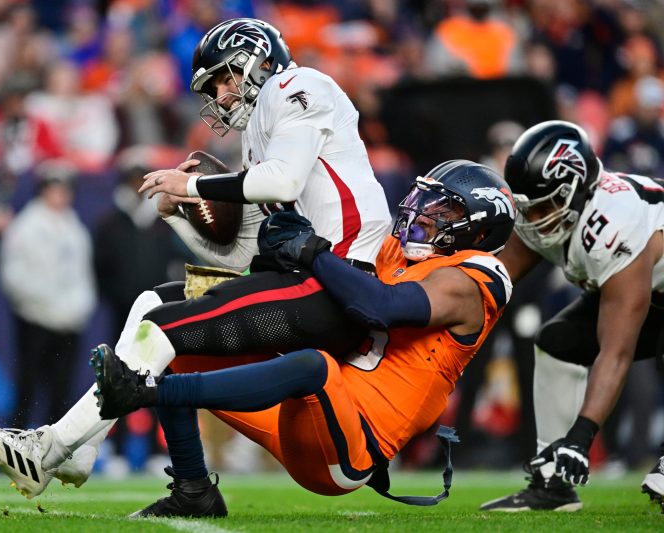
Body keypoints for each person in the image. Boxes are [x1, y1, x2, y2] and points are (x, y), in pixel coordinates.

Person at [0, 17, 392, 509]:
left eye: (224, 78)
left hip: (340, 284)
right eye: (214, 87)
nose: (221, 96)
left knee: (163, 329)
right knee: (153, 305)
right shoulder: (260, 135)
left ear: (258, 60)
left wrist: (189, 184)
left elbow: (283, 181)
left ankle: (52, 447)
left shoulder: (299, 85)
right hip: (303, 283)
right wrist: (176, 217)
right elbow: (241, 257)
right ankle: (120, 460)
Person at [90, 160, 516, 510]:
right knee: (182, 330)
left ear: (480, 230)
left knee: (314, 365)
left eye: (444, 211)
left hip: (349, 448)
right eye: (424, 202)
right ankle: (192, 489)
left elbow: (382, 306)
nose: (422, 214)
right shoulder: (393, 251)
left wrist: (313, 250)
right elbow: (326, 274)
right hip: (301, 413)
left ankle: (145, 393)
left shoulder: (473, 279)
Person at [479, 120, 664, 512]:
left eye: (544, 205)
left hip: (649, 288)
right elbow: (488, 284)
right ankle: (553, 484)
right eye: (528, 206)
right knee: (557, 342)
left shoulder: (617, 225)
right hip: (654, 294)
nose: (534, 217)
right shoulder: (554, 213)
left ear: (576, 189)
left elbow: (616, 351)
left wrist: (581, 436)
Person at [0, 160, 97, 428]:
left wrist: (78, 308)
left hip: (69, 322)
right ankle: (15, 441)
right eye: (54, 189)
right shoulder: (25, 227)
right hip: (35, 318)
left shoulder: (75, 229)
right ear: (42, 190)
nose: (60, 195)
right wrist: (47, 304)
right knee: (27, 388)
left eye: (65, 189)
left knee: (62, 391)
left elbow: (83, 276)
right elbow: (14, 275)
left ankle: (57, 446)